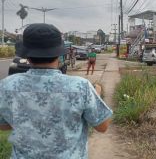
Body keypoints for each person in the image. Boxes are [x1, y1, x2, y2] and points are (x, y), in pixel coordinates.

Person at [0, 23, 112, 158]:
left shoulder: (7, 85)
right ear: (59, 55)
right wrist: (97, 93)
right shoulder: (81, 87)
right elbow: (102, 126)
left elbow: (3, 125)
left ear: (27, 56)